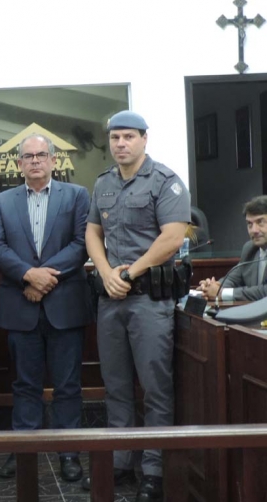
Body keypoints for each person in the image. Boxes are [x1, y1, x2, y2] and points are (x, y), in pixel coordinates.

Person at [84, 110, 190, 500]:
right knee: (116, 387)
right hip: (111, 298)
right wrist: (107, 271)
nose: (121, 144)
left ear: (145, 139)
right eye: (115, 138)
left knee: (155, 387)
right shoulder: (104, 183)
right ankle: (121, 461)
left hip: (148, 300)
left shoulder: (165, 182)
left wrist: (129, 273)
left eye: (128, 137)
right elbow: (92, 232)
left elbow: (172, 238)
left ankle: (154, 469)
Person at [0, 134, 91, 482]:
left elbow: (81, 245)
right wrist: (28, 275)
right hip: (20, 304)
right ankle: (24, 452)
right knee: (25, 385)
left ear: (53, 159)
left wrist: (45, 279)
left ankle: (69, 453)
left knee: (68, 386)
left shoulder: (76, 196)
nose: (35, 161)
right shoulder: (1, 200)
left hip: (65, 306)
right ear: (18, 164)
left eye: (41, 155)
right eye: (28, 156)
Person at [200, 195, 267, 302]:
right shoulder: (250, 248)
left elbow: (264, 292)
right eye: (249, 224)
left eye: (260, 222)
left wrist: (221, 292)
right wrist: (211, 287)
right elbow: (232, 279)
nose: (254, 230)